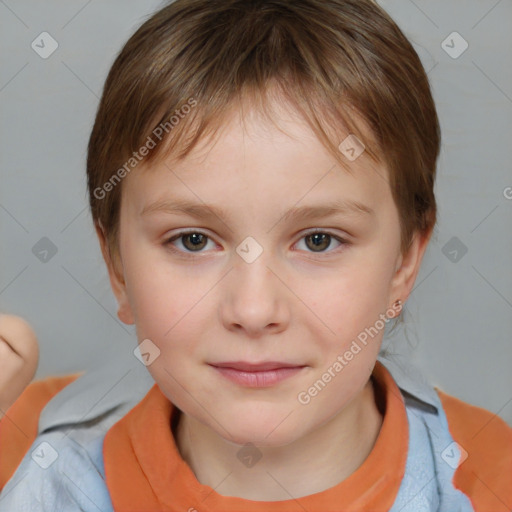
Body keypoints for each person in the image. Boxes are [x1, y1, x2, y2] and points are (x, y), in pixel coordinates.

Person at [0, 0, 510, 510]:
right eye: (193, 240)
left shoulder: (492, 478)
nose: (253, 310)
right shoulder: (22, 447)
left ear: (403, 264)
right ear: (117, 267)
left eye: (318, 240)